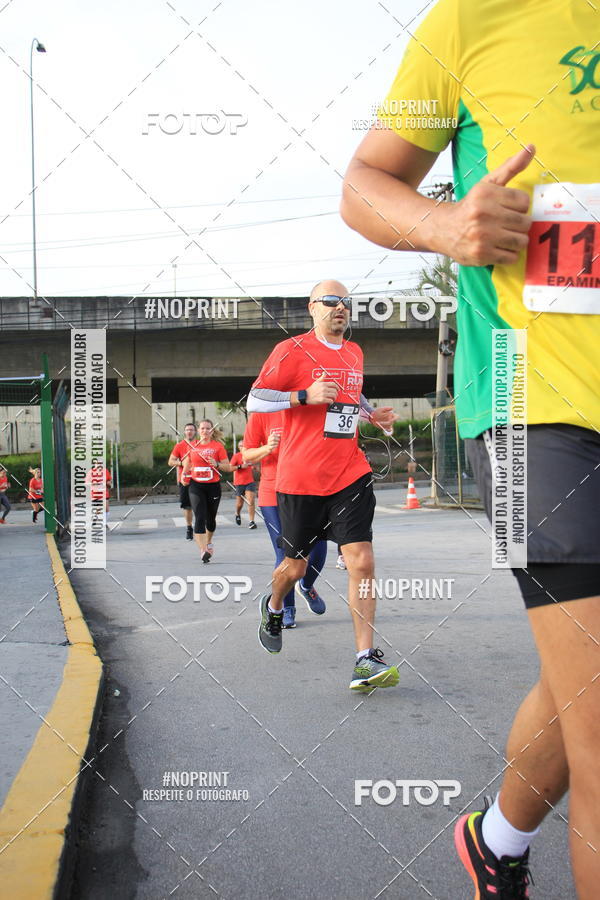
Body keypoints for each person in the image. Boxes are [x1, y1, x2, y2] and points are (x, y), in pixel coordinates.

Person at [341, 0, 599, 894]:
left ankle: (497, 840)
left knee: (585, 691)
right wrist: (448, 227)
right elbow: (366, 181)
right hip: (538, 403)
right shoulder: (473, 18)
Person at [247, 279, 400, 691]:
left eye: (346, 302)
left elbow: (353, 391)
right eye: (331, 301)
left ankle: (365, 659)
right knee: (294, 567)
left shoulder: (354, 352)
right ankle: (275, 603)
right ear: (311, 308)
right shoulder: (291, 350)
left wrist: (371, 414)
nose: (340, 308)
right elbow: (255, 399)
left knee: (362, 561)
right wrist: (302, 396)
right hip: (299, 479)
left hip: (349, 472)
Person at [242, 411, 328, 629]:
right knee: (285, 553)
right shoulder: (261, 414)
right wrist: (267, 448)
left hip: (308, 489)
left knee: (319, 547)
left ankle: (306, 586)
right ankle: (286, 608)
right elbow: (247, 456)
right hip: (274, 491)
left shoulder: (308, 408)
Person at [181, 419, 234, 563]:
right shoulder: (192, 446)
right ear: (198, 431)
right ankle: (203, 550)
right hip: (195, 485)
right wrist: (183, 475)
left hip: (213, 486)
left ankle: (209, 542)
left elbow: (228, 467)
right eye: (202, 428)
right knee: (199, 517)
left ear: (211, 431)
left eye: (208, 428)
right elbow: (187, 463)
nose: (205, 431)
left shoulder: (218, 447)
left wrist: (216, 464)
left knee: (210, 520)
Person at [168, 422, 198, 541]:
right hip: (185, 479)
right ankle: (189, 527)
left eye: (191, 430)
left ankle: (200, 527)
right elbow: (170, 461)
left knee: (199, 505)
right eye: (187, 430)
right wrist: (181, 463)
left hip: (198, 478)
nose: (189, 432)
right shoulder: (179, 446)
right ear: (184, 432)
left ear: (195, 432)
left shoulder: (199, 445)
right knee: (187, 506)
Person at [229, 442, 257, 529]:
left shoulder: (250, 456)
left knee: (251, 501)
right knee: (239, 503)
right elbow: (230, 468)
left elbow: (255, 466)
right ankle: (237, 513)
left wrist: (254, 467)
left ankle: (251, 521)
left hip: (250, 482)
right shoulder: (236, 456)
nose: (243, 447)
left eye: (244, 445)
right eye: (241, 446)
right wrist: (240, 466)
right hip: (239, 482)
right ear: (239, 447)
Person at [85, 464, 112, 529]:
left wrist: (108, 483)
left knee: (106, 508)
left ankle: (104, 523)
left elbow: (109, 481)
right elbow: (86, 483)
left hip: (104, 493)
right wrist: (92, 483)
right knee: (98, 509)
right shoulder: (91, 472)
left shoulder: (105, 471)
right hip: (95, 493)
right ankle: (95, 518)